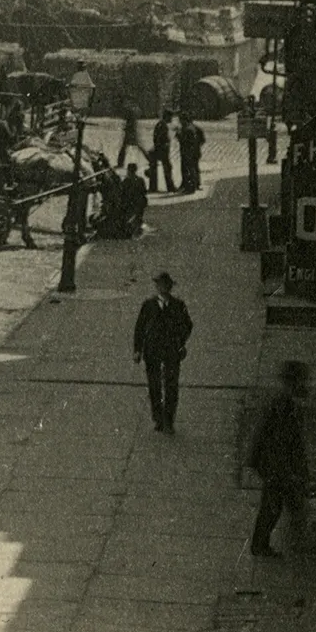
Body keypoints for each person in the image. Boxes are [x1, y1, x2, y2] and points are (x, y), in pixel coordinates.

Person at [247, 361, 310, 557]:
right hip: (275, 463)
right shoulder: (284, 405)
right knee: (274, 505)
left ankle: (267, 543)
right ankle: (261, 545)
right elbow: (284, 439)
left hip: (274, 462)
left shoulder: (282, 402)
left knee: (277, 504)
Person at [133, 270, 193, 433]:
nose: (163, 288)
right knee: (154, 385)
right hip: (152, 350)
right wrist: (137, 350)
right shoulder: (148, 305)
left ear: (170, 287)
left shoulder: (179, 305)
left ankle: (169, 419)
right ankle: (158, 418)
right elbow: (139, 328)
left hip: (171, 350)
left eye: (166, 285)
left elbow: (188, 325)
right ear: (157, 287)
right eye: (160, 285)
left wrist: (180, 341)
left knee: (171, 385)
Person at [178, 114, 206, 195]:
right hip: (195, 152)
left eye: (181, 120)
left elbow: (184, 141)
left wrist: (179, 135)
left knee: (189, 170)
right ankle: (196, 184)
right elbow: (202, 140)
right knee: (194, 168)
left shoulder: (187, 129)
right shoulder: (196, 128)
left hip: (188, 153)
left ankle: (190, 187)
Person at [118, 163, 149, 237]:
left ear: (128, 170)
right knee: (138, 215)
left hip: (130, 202)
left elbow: (122, 192)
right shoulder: (140, 180)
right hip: (139, 202)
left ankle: (130, 227)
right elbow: (144, 191)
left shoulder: (126, 181)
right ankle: (138, 226)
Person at [148, 110, 174, 194]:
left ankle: (153, 187)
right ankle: (170, 187)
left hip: (158, 149)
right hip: (161, 150)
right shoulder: (163, 125)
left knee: (154, 169)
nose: (171, 119)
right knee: (167, 168)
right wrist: (165, 145)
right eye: (170, 117)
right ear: (167, 117)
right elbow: (159, 139)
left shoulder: (160, 124)